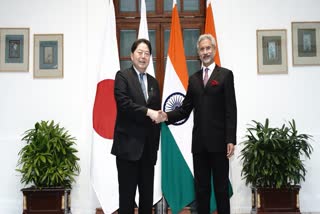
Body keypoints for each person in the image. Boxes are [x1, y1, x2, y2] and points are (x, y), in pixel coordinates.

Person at [159, 34, 237, 214]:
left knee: (221, 189)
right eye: (202, 49)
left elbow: (231, 110)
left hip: (220, 144)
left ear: (214, 50)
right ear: (198, 53)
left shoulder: (225, 75)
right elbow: (185, 109)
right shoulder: (193, 79)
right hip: (199, 145)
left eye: (208, 48)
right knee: (201, 191)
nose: (205, 52)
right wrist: (166, 116)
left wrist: (230, 139)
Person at [111, 38, 161, 214]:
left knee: (147, 200)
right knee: (126, 198)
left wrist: (159, 117)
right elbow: (124, 105)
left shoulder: (154, 82)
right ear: (132, 56)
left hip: (148, 151)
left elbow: (156, 115)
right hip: (127, 149)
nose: (143, 57)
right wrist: (149, 112)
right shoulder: (122, 76)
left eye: (147, 54)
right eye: (140, 52)